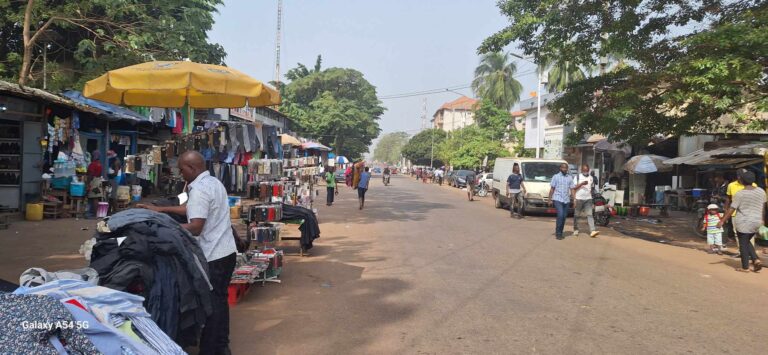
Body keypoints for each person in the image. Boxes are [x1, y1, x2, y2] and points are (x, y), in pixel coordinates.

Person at [138, 151, 237, 354]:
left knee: (212, 304)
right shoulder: (214, 183)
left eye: (182, 169)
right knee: (219, 299)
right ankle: (221, 345)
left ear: (192, 168)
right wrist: (162, 211)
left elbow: (196, 226)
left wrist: (162, 227)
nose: (180, 173)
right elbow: (194, 209)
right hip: (226, 251)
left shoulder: (200, 189)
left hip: (213, 254)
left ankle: (213, 349)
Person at [718, 170, 764, 272]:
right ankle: (756, 260)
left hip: (743, 222)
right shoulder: (761, 191)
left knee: (743, 244)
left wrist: (722, 220)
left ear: (742, 180)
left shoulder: (740, 194)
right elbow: (763, 207)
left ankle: (745, 267)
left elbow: (731, 209)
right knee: (746, 241)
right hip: (756, 222)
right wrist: (762, 220)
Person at [725, 169, 758, 255]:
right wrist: (726, 209)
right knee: (737, 234)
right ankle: (742, 252)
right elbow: (728, 198)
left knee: (750, 234)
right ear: (739, 177)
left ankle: (751, 253)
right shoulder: (731, 185)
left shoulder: (753, 185)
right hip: (735, 214)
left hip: (749, 213)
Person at [549, 163, 575, 240]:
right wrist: (549, 199)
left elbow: (572, 189)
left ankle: (560, 231)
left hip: (566, 200)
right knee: (560, 215)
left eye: (566, 168)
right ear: (560, 168)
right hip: (557, 198)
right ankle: (558, 233)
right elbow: (552, 188)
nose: (565, 169)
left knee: (563, 217)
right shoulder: (555, 177)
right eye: (563, 168)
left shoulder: (570, 178)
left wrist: (574, 199)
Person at [573, 164, 599, 238]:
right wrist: (581, 184)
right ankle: (576, 229)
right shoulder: (577, 177)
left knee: (590, 215)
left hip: (588, 199)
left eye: (587, 170)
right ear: (581, 170)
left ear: (589, 170)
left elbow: (591, 189)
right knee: (576, 215)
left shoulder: (591, 178)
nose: (585, 172)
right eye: (584, 170)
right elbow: (574, 188)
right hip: (578, 199)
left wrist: (592, 200)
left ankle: (592, 230)